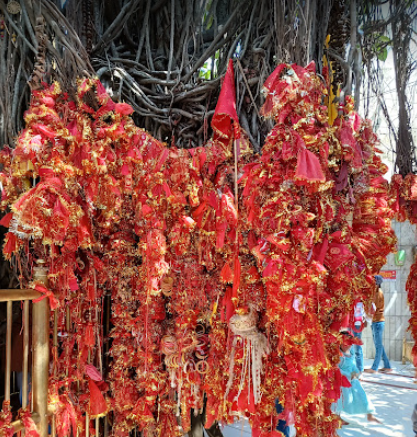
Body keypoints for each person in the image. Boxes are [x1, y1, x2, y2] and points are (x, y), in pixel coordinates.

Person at [335, 332, 381, 425]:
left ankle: (369, 414)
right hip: (340, 379)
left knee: (360, 393)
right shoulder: (337, 354)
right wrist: (347, 375)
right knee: (339, 398)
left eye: (350, 344)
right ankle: (337, 417)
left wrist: (357, 373)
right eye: (345, 345)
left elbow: (352, 365)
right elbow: (336, 368)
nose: (347, 347)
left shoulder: (350, 352)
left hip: (350, 378)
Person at [364, 275, 392, 374]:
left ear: (377, 284)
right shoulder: (376, 293)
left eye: (373, 282)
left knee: (378, 345)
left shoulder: (378, 293)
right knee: (379, 345)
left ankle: (374, 368)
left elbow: (373, 308)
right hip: (376, 321)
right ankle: (387, 366)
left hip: (377, 321)